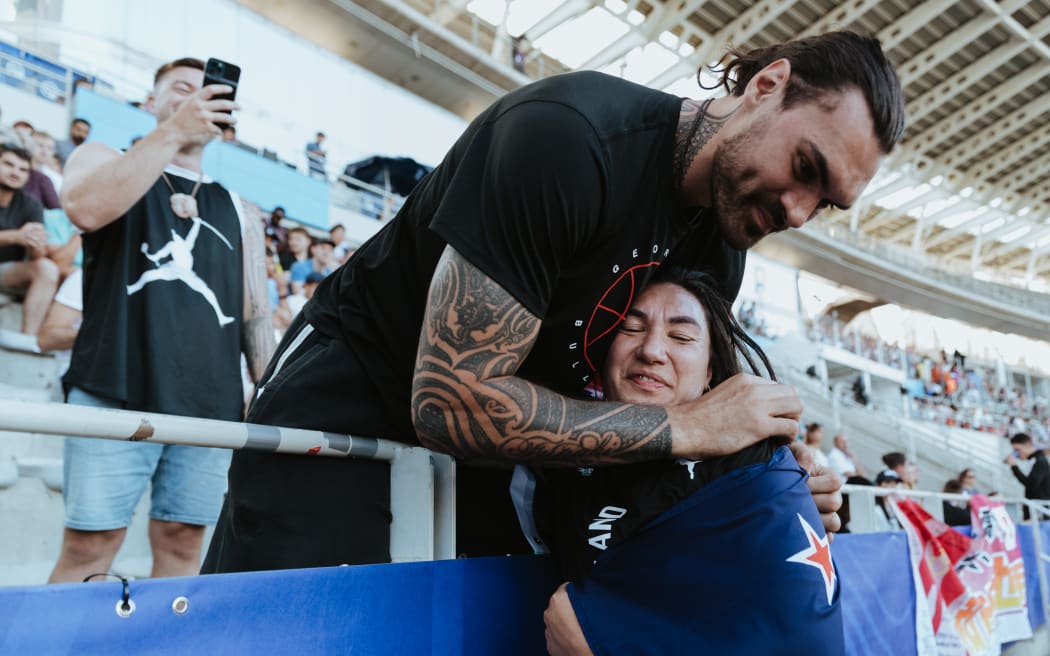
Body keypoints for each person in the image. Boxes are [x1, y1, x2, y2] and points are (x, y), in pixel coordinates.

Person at [203, 30, 904, 574]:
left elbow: (670, 427)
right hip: (348, 409)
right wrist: (691, 427)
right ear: (766, 86)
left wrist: (768, 488)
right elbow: (451, 402)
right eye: (805, 169)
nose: (799, 211)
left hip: (498, 465)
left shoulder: (721, 244)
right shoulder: (571, 141)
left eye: (827, 202)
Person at [530, 269, 843, 655]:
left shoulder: (755, 471)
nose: (652, 351)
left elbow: (800, 634)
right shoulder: (558, 461)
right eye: (629, 328)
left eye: (681, 337)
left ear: (710, 373)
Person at [48, 56, 274, 583]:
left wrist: (267, 394)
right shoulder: (101, 156)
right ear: (150, 104)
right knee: (89, 548)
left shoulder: (241, 209)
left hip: (208, 406)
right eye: (178, 89)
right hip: (115, 388)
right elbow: (84, 208)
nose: (193, 98)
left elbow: (255, 317)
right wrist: (173, 132)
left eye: (205, 92)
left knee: (183, 545)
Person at [0, 143, 59, 340]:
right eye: (8, 164)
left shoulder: (31, 204)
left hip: (6, 271)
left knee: (47, 268)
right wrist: (16, 236)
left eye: (23, 169)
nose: (15, 173)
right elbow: (18, 236)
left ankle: (27, 340)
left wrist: (36, 245)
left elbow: (36, 256)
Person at [1006, 432, 1050, 520]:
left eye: (1018, 449)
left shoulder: (1039, 460)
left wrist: (1014, 467)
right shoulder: (1033, 460)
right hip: (1035, 510)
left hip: (1039, 512)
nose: (1017, 453)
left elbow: (1031, 484)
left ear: (1027, 444)